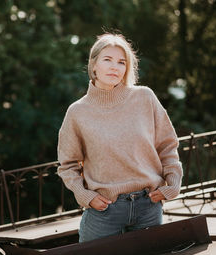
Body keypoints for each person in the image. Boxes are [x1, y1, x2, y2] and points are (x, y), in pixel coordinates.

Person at [57, 33, 183, 243]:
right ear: (94, 65)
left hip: (148, 207)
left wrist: (172, 184)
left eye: (121, 62)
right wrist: (86, 196)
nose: (115, 67)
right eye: (107, 59)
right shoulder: (78, 112)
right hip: (104, 211)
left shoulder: (145, 98)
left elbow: (168, 145)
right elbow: (67, 165)